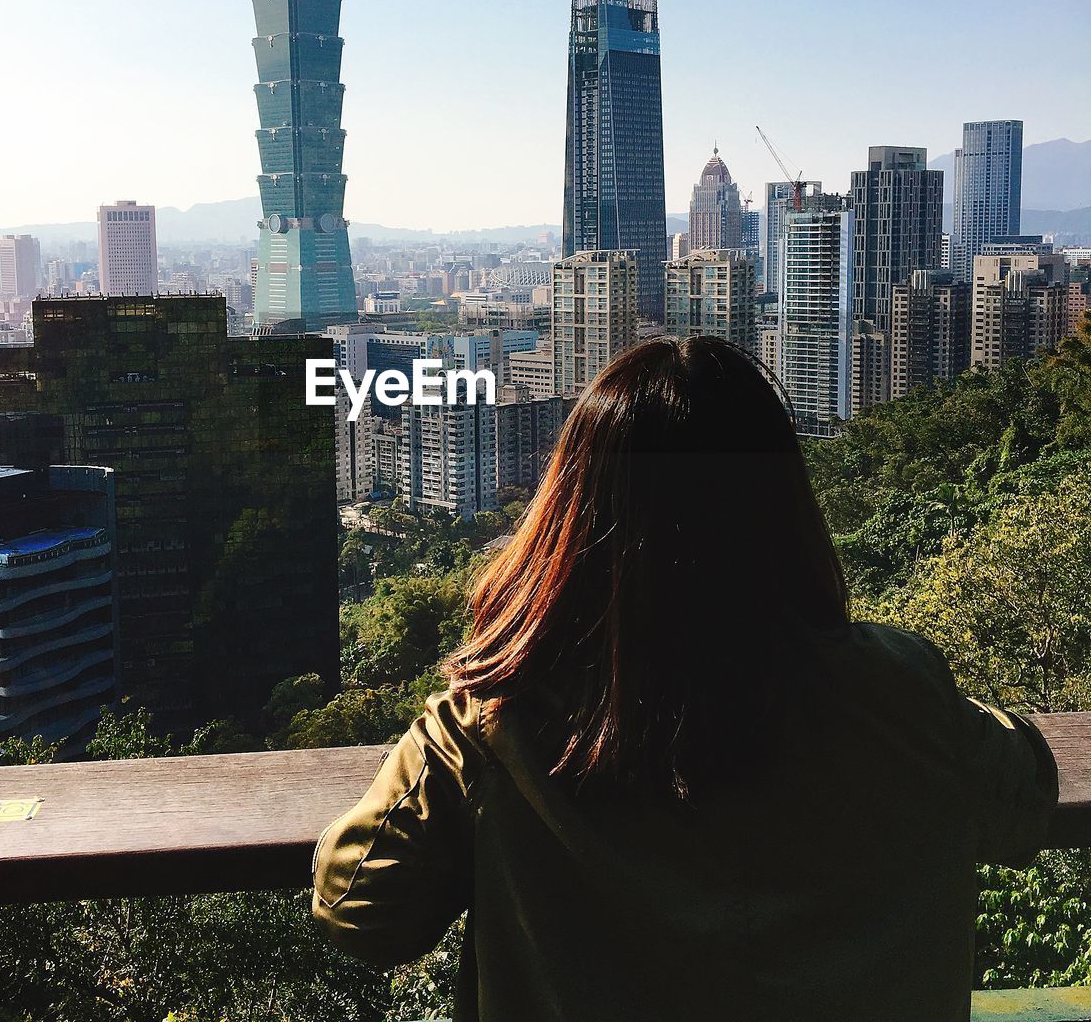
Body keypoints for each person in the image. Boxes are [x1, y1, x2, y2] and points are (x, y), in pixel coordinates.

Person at [312, 336, 1057, 1021]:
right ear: (782, 504)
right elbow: (1025, 793)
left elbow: (355, 907)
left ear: (570, 516)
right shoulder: (901, 691)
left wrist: (444, 733)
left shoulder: (493, 727)